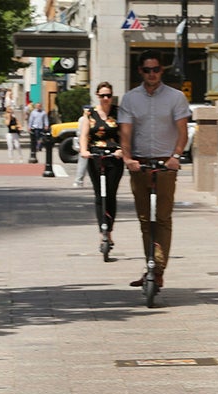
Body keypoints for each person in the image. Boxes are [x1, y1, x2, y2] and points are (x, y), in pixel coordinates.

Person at [118, 50, 190, 289]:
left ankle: (157, 270)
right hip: (139, 164)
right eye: (147, 70)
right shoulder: (129, 99)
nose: (152, 74)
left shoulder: (176, 97)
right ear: (140, 71)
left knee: (162, 218)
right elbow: (125, 133)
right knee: (144, 219)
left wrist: (176, 156)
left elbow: (182, 131)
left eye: (156, 69)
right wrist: (128, 159)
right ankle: (150, 264)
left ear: (162, 70)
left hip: (165, 164)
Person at [79, 82, 124, 248]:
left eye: (108, 95)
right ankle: (102, 232)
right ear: (97, 96)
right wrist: (84, 150)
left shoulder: (119, 113)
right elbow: (84, 135)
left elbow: (126, 135)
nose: (106, 99)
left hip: (114, 156)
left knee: (110, 194)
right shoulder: (89, 114)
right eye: (102, 95)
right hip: (95, 156)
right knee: (100, 195)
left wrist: (122, 151)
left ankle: (109, 231)